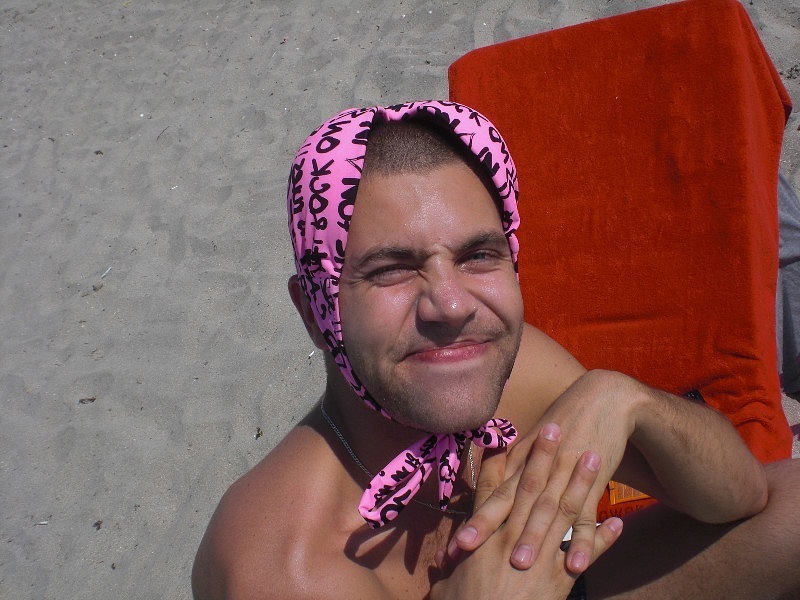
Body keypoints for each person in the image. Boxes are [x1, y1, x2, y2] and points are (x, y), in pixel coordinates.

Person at [192, 101, 800, 599]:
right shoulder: (289, 570)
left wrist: (627, 399)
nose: (452, 306)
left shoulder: (516, 370)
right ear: (315, 311)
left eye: (478, 255)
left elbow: (743, 494)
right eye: (391, 269)